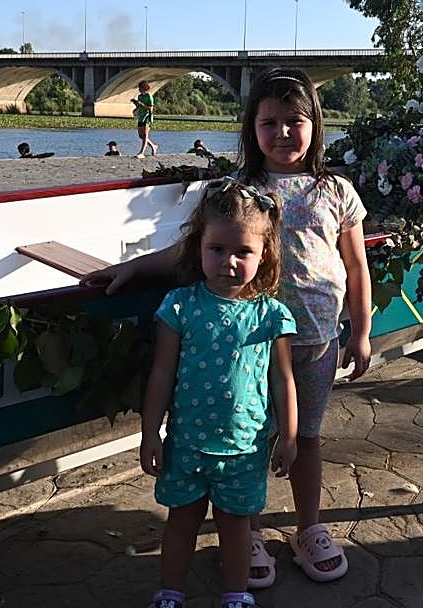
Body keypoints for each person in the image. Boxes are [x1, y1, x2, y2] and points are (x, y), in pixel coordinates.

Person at [85, 68, 372, 588]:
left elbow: (356, 266)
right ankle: (248, 531)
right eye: (269, 122)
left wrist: (361, 330)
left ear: (315, 125)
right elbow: (192, 249)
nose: (282, 133)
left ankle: (309, 527)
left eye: (294, 121)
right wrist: (135, 267)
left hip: (315, 342)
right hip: (250, 344)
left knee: (306, 436)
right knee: (251, 440)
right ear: (251, 128)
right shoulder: (241, 190)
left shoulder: (336, 191)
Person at [140, 178, 298, 608]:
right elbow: (161, 374)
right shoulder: (179, 306)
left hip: (245, 448)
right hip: (186, 445)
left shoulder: (271, 315)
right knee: (181, 522)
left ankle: (236, 595)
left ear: (264, 255)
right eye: (217, 249)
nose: (229, 261)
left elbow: (283, 380)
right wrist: (150, 433)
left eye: (243, 251)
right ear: (199, 248)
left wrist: (288, 436)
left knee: (236, 528)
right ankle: (170, 593)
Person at [132, 80, 159, 158]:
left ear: (144, 88)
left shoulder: (149, 96)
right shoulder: (139, 96)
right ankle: (153, 146)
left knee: (145, 135)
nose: (139, 89)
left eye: (140, 88)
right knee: (141, 136)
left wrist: (141, 104)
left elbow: (150, 108)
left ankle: (142, 153)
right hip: (141, 117)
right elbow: (139, 106)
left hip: (147, 117)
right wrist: (136, 103)